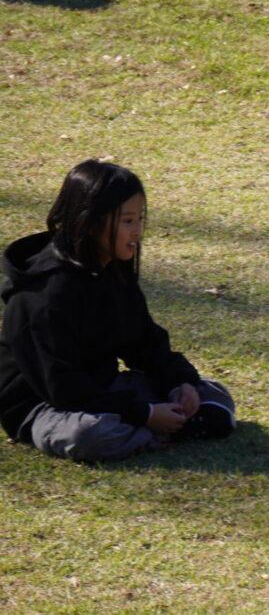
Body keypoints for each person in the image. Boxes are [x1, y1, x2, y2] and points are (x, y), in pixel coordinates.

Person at [0, 160, 236, 462]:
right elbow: (62, 387)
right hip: (45, 405)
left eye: (140, 219)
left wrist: (179, 383)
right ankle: (164, 430)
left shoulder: (111, 268)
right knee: (90, 436)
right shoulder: (47, 292)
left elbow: (143, 341)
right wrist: (146, 414)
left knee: (213, 395)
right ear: (91, 220)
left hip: (104, 389)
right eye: (127, 221)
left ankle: (160, 426)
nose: (137, 231)